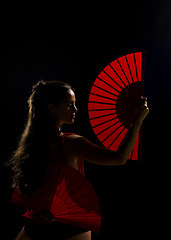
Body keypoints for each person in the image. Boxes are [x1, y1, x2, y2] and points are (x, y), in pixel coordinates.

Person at [10, 80, 149, 240]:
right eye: (69, 104)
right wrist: (137, 121)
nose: (75, 109)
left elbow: (27, 188)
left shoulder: (29, 145)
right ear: (51, 108)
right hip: (62, 226)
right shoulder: (72, 144)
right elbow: (119, 158)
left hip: (44, 225)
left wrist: (40, 210)